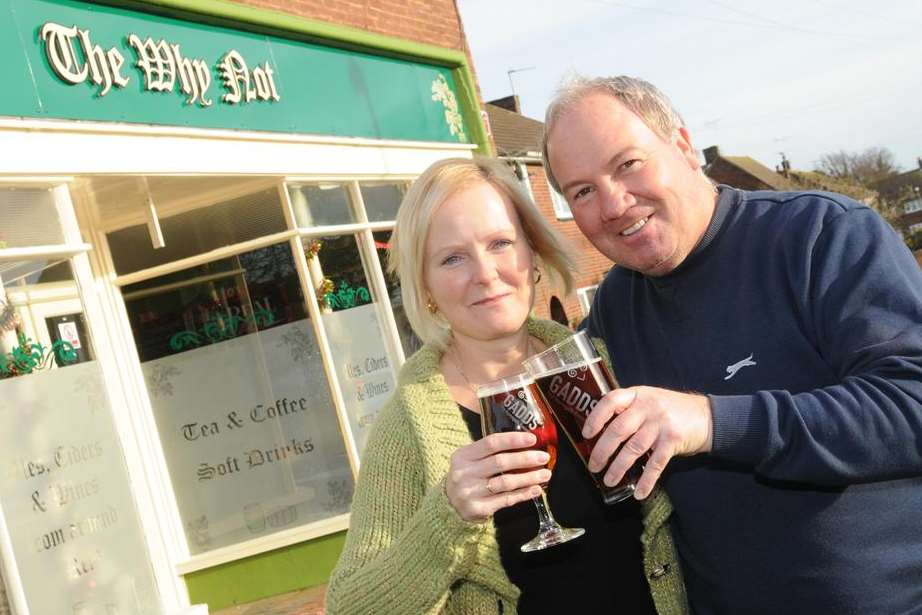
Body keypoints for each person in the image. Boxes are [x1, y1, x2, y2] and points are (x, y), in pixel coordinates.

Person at [542, 75, 922, 614]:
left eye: (627, 164)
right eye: (582, 191)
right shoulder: (613, 307)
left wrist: (713, 422)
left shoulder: (821, 234)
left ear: (682, 145)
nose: (614, 204)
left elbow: (913, 406)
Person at [325, 157, 687, 614]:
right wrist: (447, 517)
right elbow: (349, 607)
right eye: (453, 258)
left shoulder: (607, 361)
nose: (486, 273)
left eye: (500, 243)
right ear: (426, 285)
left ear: (532, 252)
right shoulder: (408, 428)